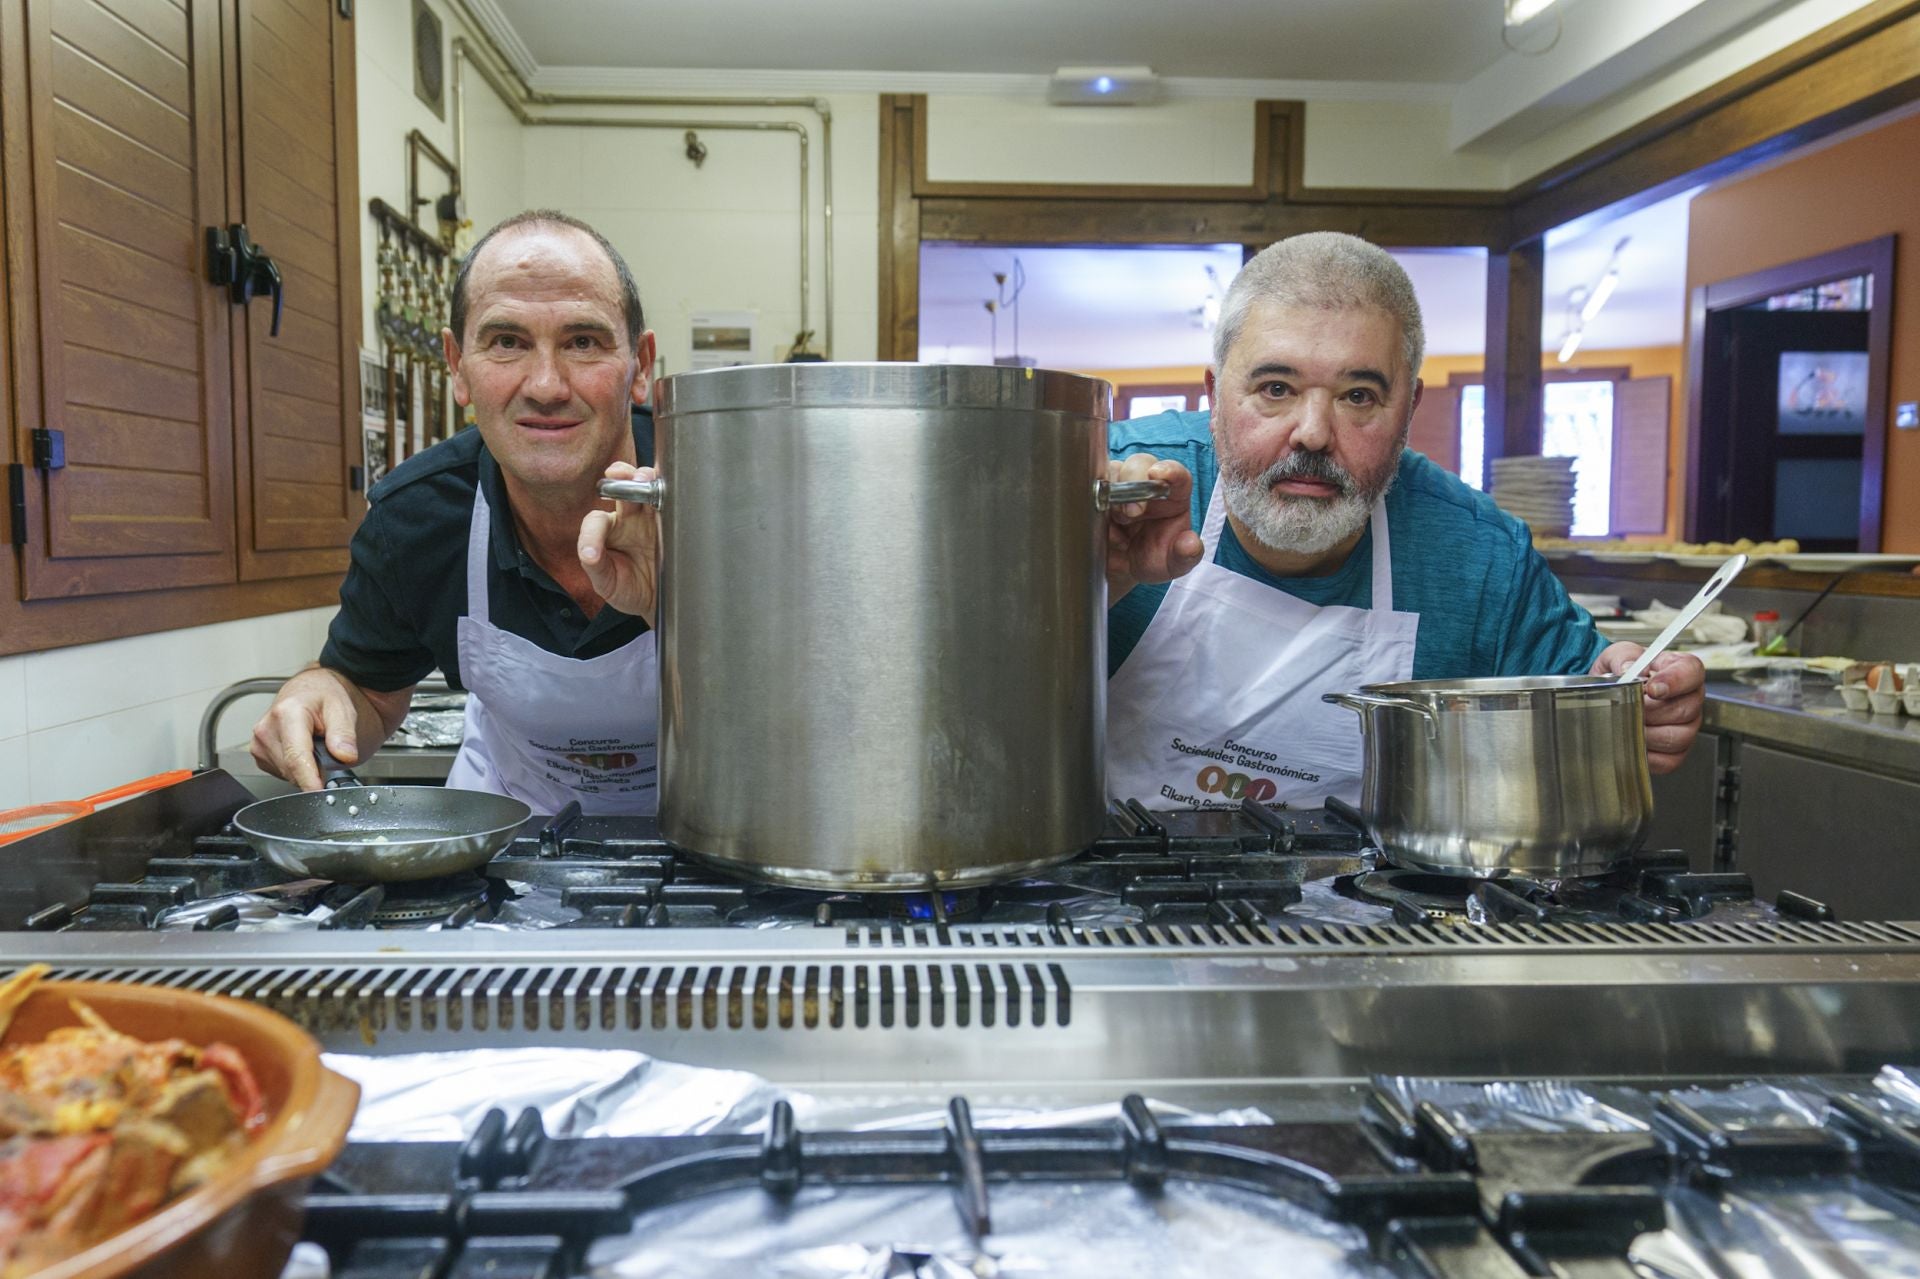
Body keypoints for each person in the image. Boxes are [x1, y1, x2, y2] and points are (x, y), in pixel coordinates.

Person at [1101, 231, 1706, 810]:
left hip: (1367, 911)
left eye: (1358, 396)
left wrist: (1638, 702)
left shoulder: (1480, 559)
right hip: (1099, 899)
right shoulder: (1117, 490)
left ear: (1409, 409)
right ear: (1214, 395)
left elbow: (1590, 708)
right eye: (1276, 387)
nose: (1312, 432)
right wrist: (1090, 584)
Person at [250, 209, 668, 812]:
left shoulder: (729, 502)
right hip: (510, 842)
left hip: (709, 835)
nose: (546, 385)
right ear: (457, 366)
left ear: (641, 366)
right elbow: (366, 693)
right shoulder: (417, 519)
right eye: (507, 342)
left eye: (583, 341)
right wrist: (318, 694)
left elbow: (816, 705)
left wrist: (676, 605)